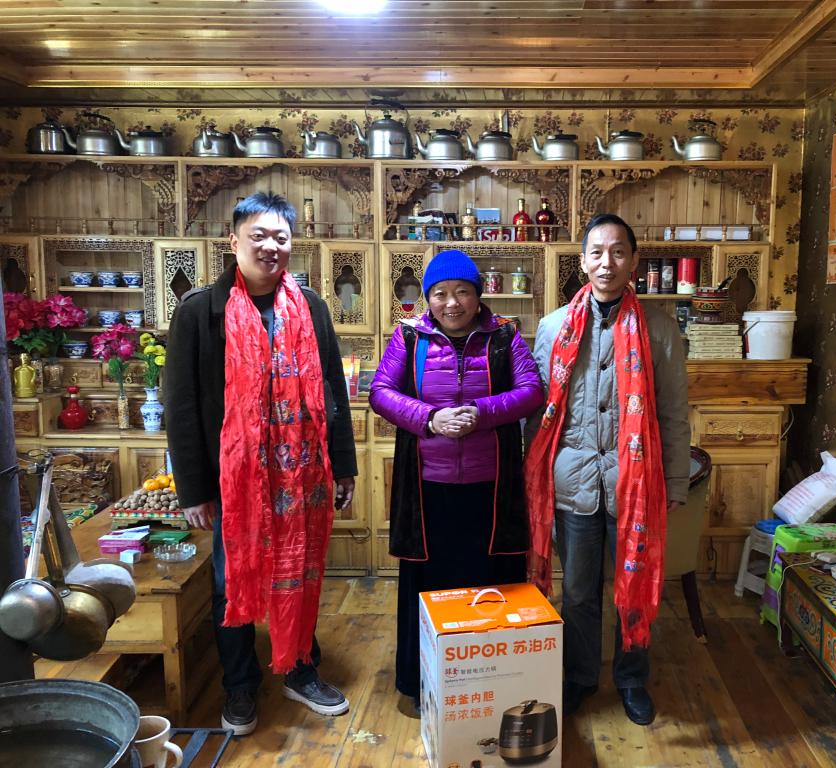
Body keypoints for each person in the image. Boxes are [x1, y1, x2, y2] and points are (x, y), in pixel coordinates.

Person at [164, 192, 357, 736]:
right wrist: (193, 489)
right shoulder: (199, 311)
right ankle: (240, 684)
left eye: (280, 237)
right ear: (234, 242)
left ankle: (300, 668)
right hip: (237, 480)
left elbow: (332, 389)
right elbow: (181, 405)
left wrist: (343, 465)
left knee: (302, 571)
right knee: (232, 581)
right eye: (259, 236)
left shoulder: (310, 306)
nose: (271, 246)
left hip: (302, 473)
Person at [525, 213, 690, 726]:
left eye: (618, 252)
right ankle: (579, 676)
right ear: (582, 261)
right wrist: (532, 478)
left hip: (634, 483)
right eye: (596, 252)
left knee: (633, 586)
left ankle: (631, 677)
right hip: (572, 481)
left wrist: (676, 481)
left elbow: (673, 412)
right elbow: (538, 412)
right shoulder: (553, 327)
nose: (607, 263)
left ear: (634, 261)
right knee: (577, 591)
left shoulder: (659, 329)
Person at [369, 249, 544, 710]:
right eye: (441, 293)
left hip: (492, 488)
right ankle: (421, 685)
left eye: (462, 292)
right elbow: (381, 392)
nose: (452, 303)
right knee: (430, 585)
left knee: (492, 584)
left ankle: (495, 687)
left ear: (477, 295)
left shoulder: (504, 336)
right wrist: (431, 418)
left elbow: (531, 391)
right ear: (428, 298)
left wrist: (480, 414)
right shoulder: (409, 336)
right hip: (429, 489)